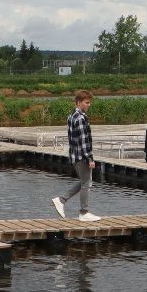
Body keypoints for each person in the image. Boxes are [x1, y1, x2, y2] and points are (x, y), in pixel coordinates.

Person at [52, 90, 100, 222]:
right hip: (82, 156)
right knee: (86, 183)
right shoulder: (80, 118)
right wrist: (90, 158)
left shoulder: (71, 116)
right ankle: (84, 213)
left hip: (74, 155)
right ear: (79, 102)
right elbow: (83, 141)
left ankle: (61, 200)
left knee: (85, 181)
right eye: (86, 102)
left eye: (89, 102)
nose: (89, 105)